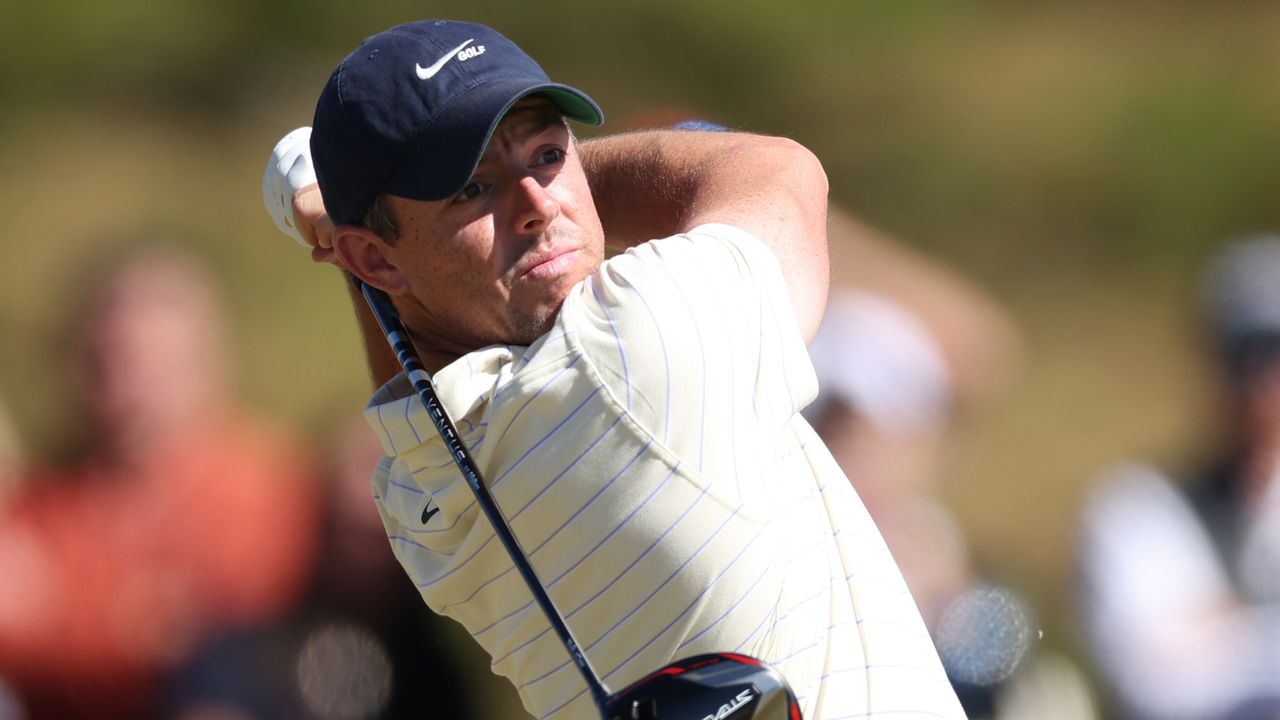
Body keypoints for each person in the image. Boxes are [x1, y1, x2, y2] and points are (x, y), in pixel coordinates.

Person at [263, 19, 966, 719]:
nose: (539, 205)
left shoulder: (421, 495)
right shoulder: (635, 348)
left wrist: (360, 224)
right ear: (375, 258)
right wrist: (325, 205)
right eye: (471, 188)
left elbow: (405, 345)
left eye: (546, 153)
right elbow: (780, 173)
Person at [0, 245, 322, 720]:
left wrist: (59, 618)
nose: (130, 384)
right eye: (110, 357)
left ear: (210, 360)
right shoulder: (43, 500)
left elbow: (230, 646)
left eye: (154, 359)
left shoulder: (267, 492)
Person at [1075, 234, 1280, 720]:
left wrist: (1226, 622)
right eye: (1249, 353)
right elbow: (1156, 681)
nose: (1265, 379)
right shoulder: (1134, 509)